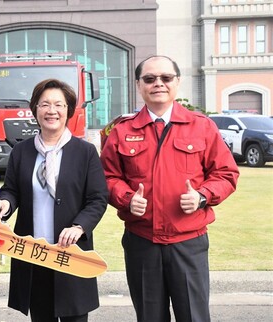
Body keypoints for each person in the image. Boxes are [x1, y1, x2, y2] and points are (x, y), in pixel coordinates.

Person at [100, 55, 240, 322]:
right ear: (139, 85)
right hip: (142, 241)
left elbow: (226, 173)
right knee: (150, 317)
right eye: (150, 79)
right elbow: (106, 178)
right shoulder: (121, 130)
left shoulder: (202, 126)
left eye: (166, 78)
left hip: (188, 242)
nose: (158, 84)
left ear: (177, 82)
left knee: (194, 316)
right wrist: (127, 198)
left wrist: (202, 196)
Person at [0, 79, 109, 322]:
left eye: (59, 105)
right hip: (33, 253)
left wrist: (79, 227)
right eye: (45, 104)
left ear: (68, 110)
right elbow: (11, 190)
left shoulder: (84, 152)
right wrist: (5, 203)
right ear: (35, 109)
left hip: (70, 253)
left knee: (74, 316)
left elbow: (97, 199)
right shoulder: (21, 151)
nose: (51, 111)